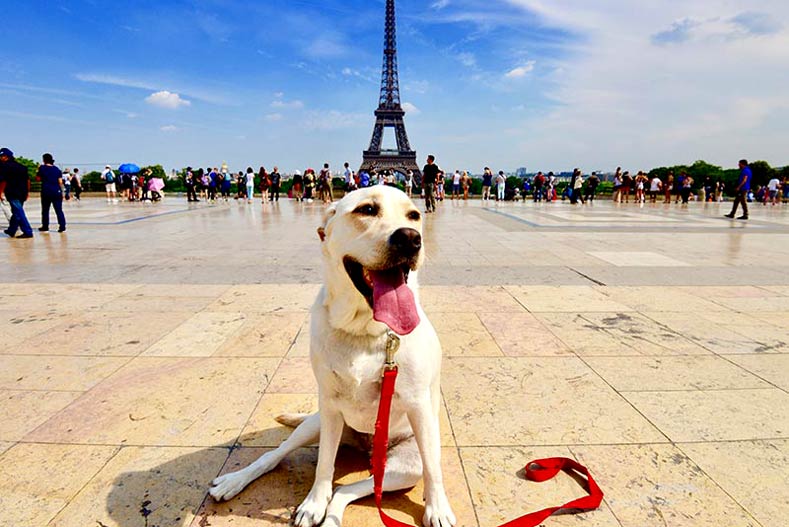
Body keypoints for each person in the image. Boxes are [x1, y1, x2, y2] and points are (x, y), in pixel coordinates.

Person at [0, 147, 34, 238]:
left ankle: (27, 231)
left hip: (12, 192)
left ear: (6, 157)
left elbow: (3, 181)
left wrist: (0, 192)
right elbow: (28, 181)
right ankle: (12, 230)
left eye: (1, 156)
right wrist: (27, 192)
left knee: (18, 212)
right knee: (16, 212)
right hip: (22, 192)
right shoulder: (22, 167)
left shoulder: (4, 166)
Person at [37, 153, 66, 233]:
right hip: (56, 191)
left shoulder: (42, 168)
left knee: (45, 210)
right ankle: (62, 226)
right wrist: (63, 192)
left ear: (44, 160)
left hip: (46, 191)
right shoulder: (57, 169)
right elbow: (60, 182)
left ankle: (45, 226)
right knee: (59, 210)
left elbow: (38, 178)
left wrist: (38, 170)